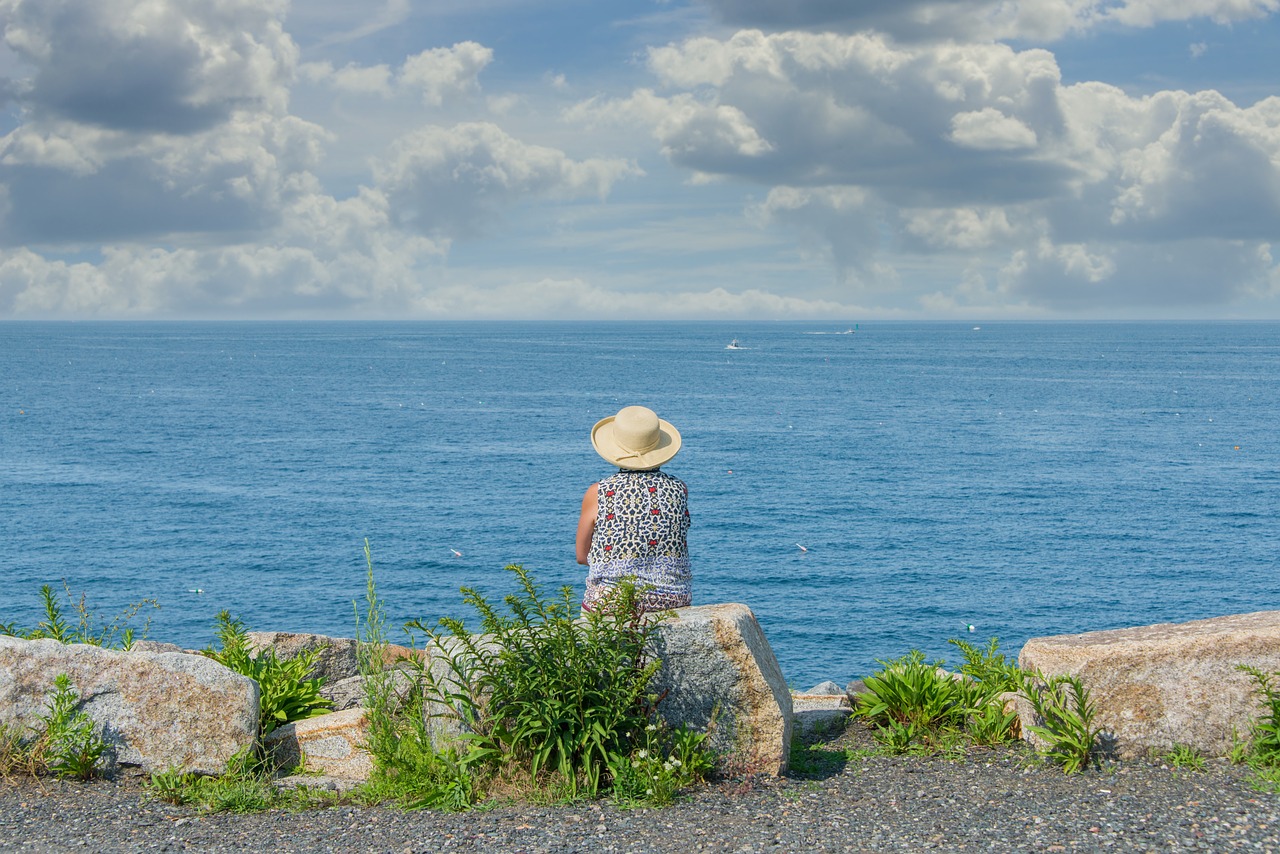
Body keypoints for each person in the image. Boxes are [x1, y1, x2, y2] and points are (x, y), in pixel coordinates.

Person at [576, 405, 691, 614]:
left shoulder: (599, 492)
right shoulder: (680, 489)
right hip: (672, 598)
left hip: (611, 602)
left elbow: (581, 556)